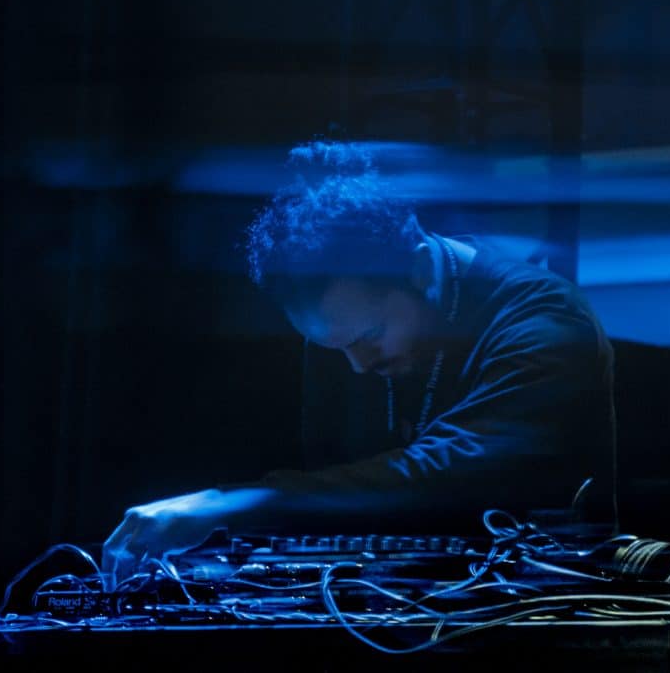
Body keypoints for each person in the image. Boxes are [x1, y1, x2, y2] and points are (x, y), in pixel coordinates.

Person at [102, 141, 617, 587]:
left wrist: (230, 503)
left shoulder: (546, 321)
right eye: (337, 348)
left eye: (369, 337)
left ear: (419, 269)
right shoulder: (353, 333)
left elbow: (446, 474)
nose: (357, 367)